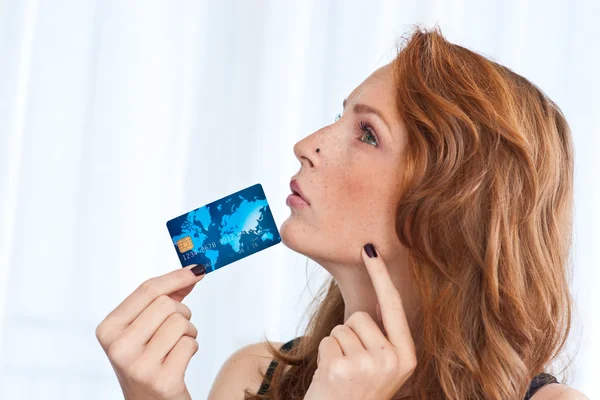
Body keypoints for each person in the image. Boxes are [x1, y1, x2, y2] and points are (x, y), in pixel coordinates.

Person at [95, 25, 589, 399]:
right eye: (339, 117)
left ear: (449, 206)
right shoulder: (254, 377)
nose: (305, 145)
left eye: (368, 134)